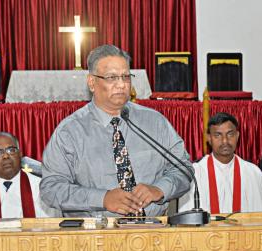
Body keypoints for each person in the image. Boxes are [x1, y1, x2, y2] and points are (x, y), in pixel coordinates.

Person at [40, 44, 192, 217]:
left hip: (151, 231)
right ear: (92, 82)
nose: (121, 85)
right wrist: (102, 199)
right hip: (93, 236)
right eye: (112, 77)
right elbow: (51, 188)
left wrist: (159, 189)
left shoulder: (155, 122)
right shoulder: (70, 131)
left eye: (126, 77)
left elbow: (183, 168)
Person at [179, 112, 262, 213]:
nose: (225, 141)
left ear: (237, 136)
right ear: (209, 138)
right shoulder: (195, 174)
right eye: (218, 135)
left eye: (230, 134)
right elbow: (187, 221)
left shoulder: (253, 173)